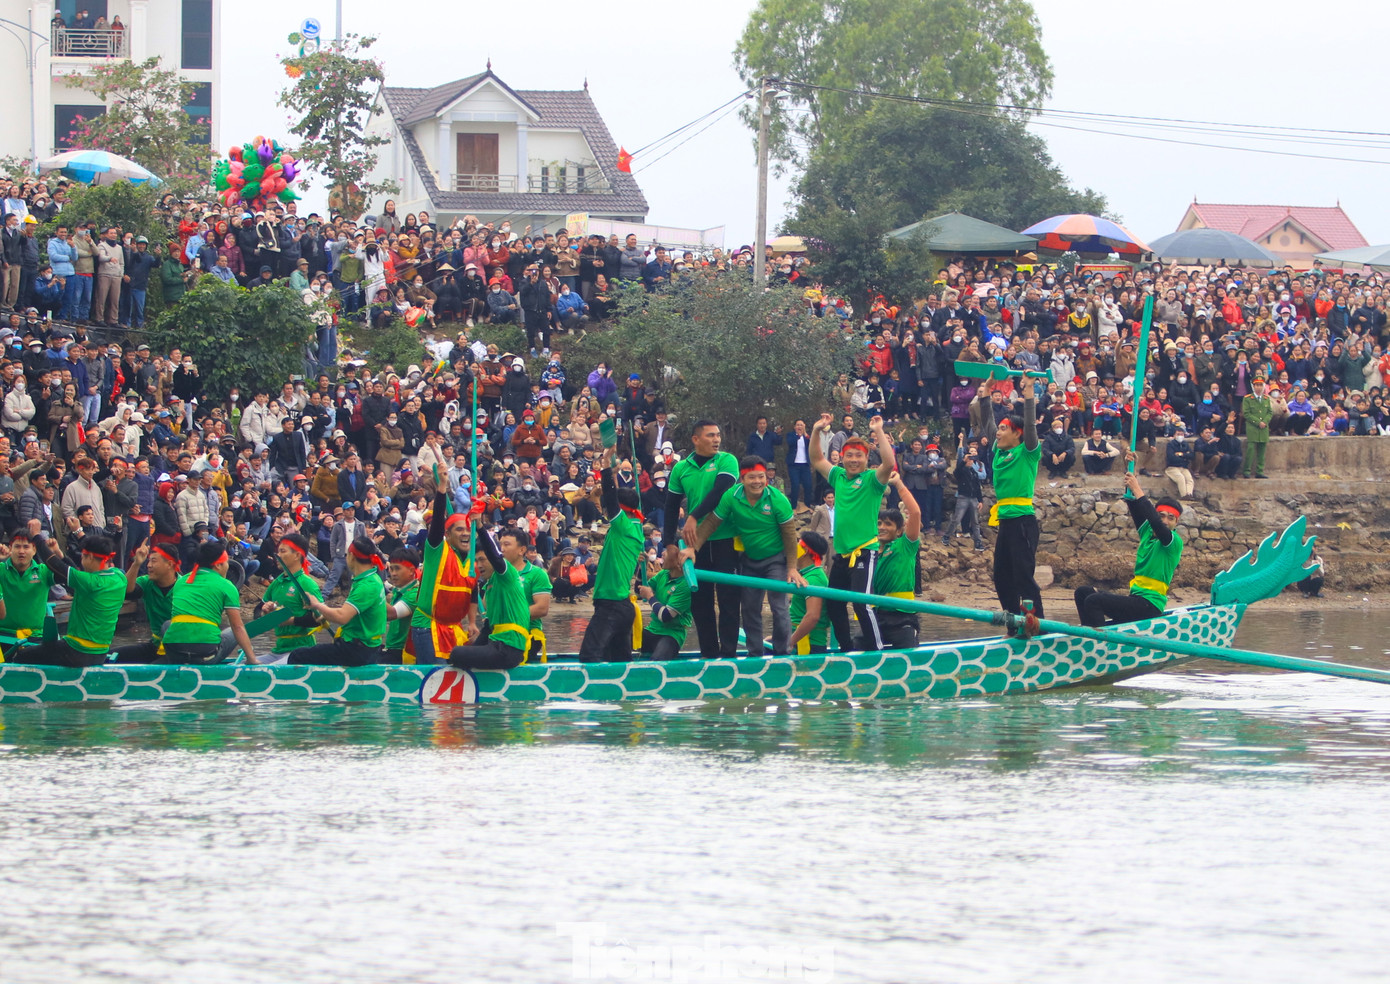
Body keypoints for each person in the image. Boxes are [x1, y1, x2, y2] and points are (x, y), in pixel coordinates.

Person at [682, 454, 801, 658]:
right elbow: (711, 522)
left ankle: (783, 652)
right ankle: (754, 654)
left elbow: (790, 536)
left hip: (775, 560)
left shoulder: (777, 499)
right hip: (750, 560)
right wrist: (694, 548)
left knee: (779, 607)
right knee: (749, 608)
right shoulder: (732, 496)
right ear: (743, 479)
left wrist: (792, 568)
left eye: (761, 477)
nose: (757, 482)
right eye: (752, 478)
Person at [809, 411, 894, 651]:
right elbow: (816, 459)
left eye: (859, 456)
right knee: (834, 603)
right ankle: (846, 650)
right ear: (842, 458)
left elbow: (888, 463)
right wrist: (816, 430)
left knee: (862, 604)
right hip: (842, 555)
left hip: (864, 552)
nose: (853, 460)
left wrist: (878, 431)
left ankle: (877, 651)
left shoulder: (872, 480)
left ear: (866, 459)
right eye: (849, 456)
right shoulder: (837, 476)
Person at [662, 419, 740, 658]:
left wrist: (694, 515)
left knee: (728, 598)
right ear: (696, 439)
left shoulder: (727, 460)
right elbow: (671, 506)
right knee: (700, 600)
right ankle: (709, 653)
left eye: (718, 435)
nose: (717, 439)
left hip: (726, 539)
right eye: (710, 435)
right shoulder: (680, 468)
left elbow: (721, 491)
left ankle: (729, 654)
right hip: (696, 544)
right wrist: (669, 544)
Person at [1074, 461, 1184, 627]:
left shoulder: (1173, 542)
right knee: (1083, 593)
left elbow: (1155, 522)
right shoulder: (1147, 532)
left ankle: (1101, 643)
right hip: (1135, 600)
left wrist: (1138, 488)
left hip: (1150, 605)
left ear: (1177, 522)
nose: (1165, 521)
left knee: (1094, 601)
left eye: (1171, 518)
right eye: (1161, 515)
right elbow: (1133, 503)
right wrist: (1130, 467)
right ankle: (1088, 634)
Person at [8, 533, 125, 666]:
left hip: (76, 651)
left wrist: (36, 536)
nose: (81, 562)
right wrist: (59, 552)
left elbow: (54, 564)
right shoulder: (119, 577)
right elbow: (74, 572)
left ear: (90, 557)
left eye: (82, 557)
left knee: (23, 655)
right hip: (100, 653)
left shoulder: (90, 582)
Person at [271, 536, 387, 665]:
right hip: (363, 646)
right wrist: (326, 612)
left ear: (352, 556)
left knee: (298, 655)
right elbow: (347, 612)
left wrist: (318, 605)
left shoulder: (366, 585)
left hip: (358, 650)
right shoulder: (372, 578)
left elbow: (342, 617)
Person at [578, 446, 644, 662]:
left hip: (611, 604)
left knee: (589, 656)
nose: (606, 511)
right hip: (623, 606)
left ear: (621, 510)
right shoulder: (635, 529)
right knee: (619, 662)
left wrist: (607, 466)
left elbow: (609, 495)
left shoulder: (623, 525)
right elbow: (613, 498)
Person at [990, 384, 1043, 617]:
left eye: (1003, 428)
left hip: (1023, 521)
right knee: (1001, 576)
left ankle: (1036, 622)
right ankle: (1013, 622)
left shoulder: (1028, 451)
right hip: (1005, 522)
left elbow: (1030, 426)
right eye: (998, 428)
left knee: (1023, 577)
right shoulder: (1000, 454)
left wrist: (1029, 395)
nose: (998, 432)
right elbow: (985, 425)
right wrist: (984, 394)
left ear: (1017, 433)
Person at [159, 540, 256, 664]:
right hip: (206, 655)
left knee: (168, 624)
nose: (228, 565)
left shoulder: (181, 581)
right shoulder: (227, 585)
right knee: (232, 630)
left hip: (174, 654)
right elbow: (237, 627)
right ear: (218, 565)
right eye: (226, 562)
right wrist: (252, 659)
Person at [446, 526, 528, 670]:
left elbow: (495, 556)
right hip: (497, 645)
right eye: (477, 561)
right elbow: (486, 630)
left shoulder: (506, 575)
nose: (479, 565)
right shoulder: (491, 585)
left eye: (483, 560)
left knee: (456, 653)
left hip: (508, 648)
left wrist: (480, 527)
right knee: (457, 652)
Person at [866, 471, 922, 649]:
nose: (882, 527)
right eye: (879, 523)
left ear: (899, 530)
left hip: (902, 615)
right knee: (859, 645)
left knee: (907, 656)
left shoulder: (905, 545)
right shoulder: (869, 551)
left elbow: (915, 512)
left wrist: (898, 484)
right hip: (877, 614)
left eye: (888, 524)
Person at [255, 532, 325, 663]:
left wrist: (289, 620)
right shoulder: (277, 582)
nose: (278, 555)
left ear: (297, 555)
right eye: (278, 551)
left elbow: (318, 619)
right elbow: (257, 611)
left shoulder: (306, 583)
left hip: (302, 650)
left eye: (282, 551)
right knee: (243, 665)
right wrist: (265, 612)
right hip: (279, 649)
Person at [110, 542, 178, 663]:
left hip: (178, 649)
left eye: (154, 561)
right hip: (155, 645)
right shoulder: (147, 582)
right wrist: (136, 563)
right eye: (148, 561)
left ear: (169, 564)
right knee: (110, 656)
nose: (149, 565)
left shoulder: (184, 586)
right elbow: (126, 591)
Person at [0, 528, 54, 654]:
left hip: (35, 637)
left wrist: (56, 553)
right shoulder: (1, 569)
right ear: (10, 548)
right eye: (17, 546)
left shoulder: (44, 571)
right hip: (4, 635)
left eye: (26, 547)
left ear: (34, 550)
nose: (21, 551)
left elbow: (70, 575)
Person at [636, 547, 693, 660]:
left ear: (678, 563)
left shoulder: (685, 585)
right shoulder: (664, 574)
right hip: (653, 629)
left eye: (667, 552)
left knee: (657, 662)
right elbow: (639, 592)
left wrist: (650, 597)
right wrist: (642, 567)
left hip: (672, 634)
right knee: (620, 641)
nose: (662, 553)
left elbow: (665, 616)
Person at [786, 530, 832, 655]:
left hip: (808, 644)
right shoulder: (806, 574)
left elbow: (813, 616)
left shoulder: (814, 578)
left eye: (797, 545)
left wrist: (790, 642)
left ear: (805, 550)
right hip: (798, 640)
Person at [382, 547, 421, 664]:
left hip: (403, 653)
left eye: (397, 569)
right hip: (392, 649)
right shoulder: (398, 590)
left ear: (411, 570)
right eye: (391, 569)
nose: (393, 574)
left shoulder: (415, 593)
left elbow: (391, 613)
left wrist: (372, 591)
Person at [1242, 375, 1272, 479]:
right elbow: (1246, 413)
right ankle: (1247, 471)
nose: (1259, 387)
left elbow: (1269, 412)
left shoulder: (1266, 398)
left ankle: (1260, 471)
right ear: (1253, 386)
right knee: (1250, 450)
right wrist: (1258, 422)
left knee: (1262, 452)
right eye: (1257, 385)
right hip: (1252, 428)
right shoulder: (1247, 399)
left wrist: (1265, 421)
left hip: (1264, 428)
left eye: (1261, 385)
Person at [1164, 422, 1195, 499]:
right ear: (1174, 435)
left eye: (1182, 434)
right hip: (1172, 468)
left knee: (1189, 480)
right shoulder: (1170, 444)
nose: (1180, 436)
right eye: (1178, 434)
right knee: (1181, 478)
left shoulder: (1185, 444)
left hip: (1184, 467)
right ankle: (1184, 496)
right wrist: (1185, 458)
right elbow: (1171, 457)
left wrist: (1181, 455)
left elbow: (1192, 455)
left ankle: (1189, 494)